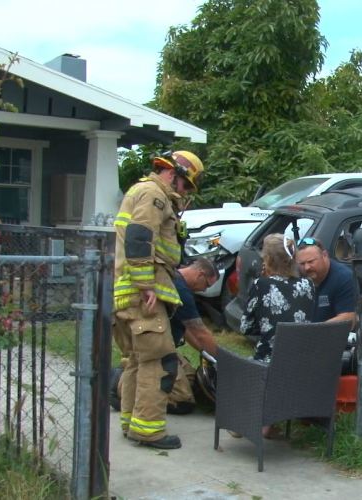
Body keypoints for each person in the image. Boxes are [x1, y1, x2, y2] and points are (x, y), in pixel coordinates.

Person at [111, 149, 204, 450]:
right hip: (142, 295)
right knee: (160, 361)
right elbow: (140, 236)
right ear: (174, 175)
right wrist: (145, 285)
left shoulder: (139, 190)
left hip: (128, 292)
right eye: (187, 185)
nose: (186, 192)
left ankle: (132, 423)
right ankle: (149, 430)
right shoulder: (155, 195)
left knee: (136, 360)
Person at [110, 258, 219, 415]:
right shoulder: (180, 289)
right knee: (182, 400)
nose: (204, 290)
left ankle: (131, 380)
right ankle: (118, 387)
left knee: (190, 377)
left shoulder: (175, 281)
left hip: (162, 346)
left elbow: (188, 330)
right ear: (200, 274)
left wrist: (206, 354)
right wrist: (221, 359)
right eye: (207, 285)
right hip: (155, 347)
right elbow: (200, 332)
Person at [241, 234, 315, 363]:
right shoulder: (308, 284)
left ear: (267, 260)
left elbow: (246, 327)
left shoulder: (261, 284)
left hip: (270, 361)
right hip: (300, 360)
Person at [295, 237, 357, 328]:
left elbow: (349, 318)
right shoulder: (297, 276)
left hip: (332, 338)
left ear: (324, 255)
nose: (306, 268)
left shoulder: (344, 277)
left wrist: (312, 332)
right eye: (302, 263)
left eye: (311, 262)